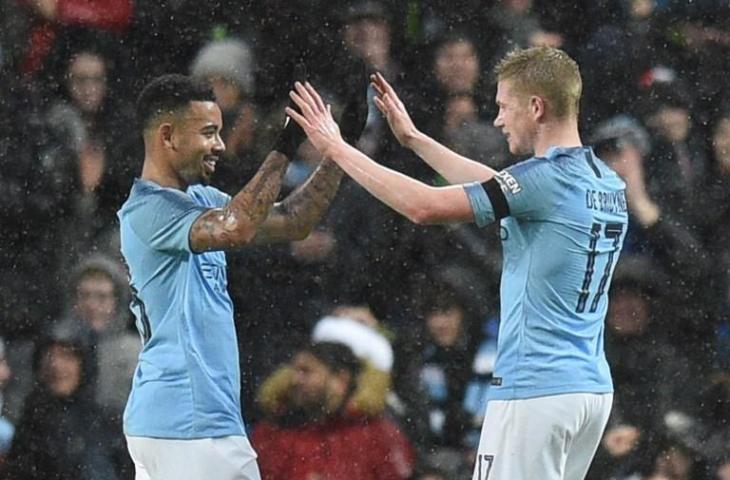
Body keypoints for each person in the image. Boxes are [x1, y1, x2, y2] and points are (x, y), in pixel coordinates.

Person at [286, 46, 628, 480]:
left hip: (535, 387)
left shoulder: (544, 180)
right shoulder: (603, 178)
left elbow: (422, 206)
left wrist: (336, 148)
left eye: (504, 107)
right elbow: (497, 185)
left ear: (536, 107)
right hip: (588, 389)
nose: (499, 119)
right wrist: (415, 139)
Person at [118, 72, 366, 480]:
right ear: (167, 136)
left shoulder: (200, 201)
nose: (218, 144)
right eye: (208, 133)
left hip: (189, 423)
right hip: (187, 422)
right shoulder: (147, 209)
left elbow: (292, 220)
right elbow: (237, 226)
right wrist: (286, 142)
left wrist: (342, 148)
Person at [251, 341, 415, 480]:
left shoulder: (376, 434)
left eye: (306, 371)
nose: (294, 379)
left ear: (340, 379)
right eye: (295, 370)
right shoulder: (271, 432)